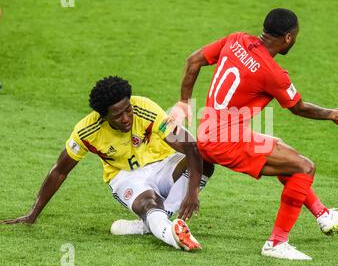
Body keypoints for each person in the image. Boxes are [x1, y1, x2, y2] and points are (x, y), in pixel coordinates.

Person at [171, 8, 338, 260]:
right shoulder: (273, 73)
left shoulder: (236, 39)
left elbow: (193, 60)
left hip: (209, 131)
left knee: (284, 153)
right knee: (304, 168)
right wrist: (332, 114)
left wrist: (184, 102)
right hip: (227, 142)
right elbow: (298, 107)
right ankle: (276, 243)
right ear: (288, 38)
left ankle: (323, 215)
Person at [1, 76, 214, 252]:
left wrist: (192, 192)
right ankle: (174, 236)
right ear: (103, 116)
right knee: (149, 203)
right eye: (117, 115)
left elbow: (191, 147)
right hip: (125, 177)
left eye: (127, 109)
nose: (126, 118)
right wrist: (32, 213)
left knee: (206, 160)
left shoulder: (146, 109)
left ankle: (152, 223)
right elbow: (59, 172)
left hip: (162, 165)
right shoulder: (87, 131)